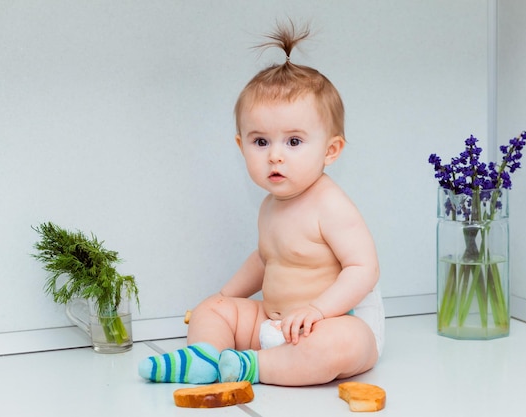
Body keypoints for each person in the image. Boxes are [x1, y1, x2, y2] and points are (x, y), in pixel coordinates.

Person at [138, 20, 384, 387]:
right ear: (242, 147)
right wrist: (224, 296)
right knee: (213, 309)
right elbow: (264, 259)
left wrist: (318, 311)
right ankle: (205, 357)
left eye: (294, 142)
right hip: (272, 321)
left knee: (340, 344)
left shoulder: (330, 204)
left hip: (332, 321)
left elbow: (364, 269)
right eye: (261, 142)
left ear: (330, 150)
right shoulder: (270, 205)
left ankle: (252, 367)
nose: (275, 157)